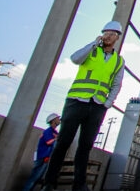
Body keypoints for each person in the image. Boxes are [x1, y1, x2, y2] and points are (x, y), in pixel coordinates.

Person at [41, 21, 127, 191]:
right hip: (76, 102)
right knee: (63, 143)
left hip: (97, 106)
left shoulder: (118, 61)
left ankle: (79, 184)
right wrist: (93, 43)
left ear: (117, 37)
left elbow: (117, 84)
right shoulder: (92, 51)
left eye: (112, 34)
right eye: (106, 33)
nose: (108, 36)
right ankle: (49, 183)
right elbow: (75, 58)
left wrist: (108, 103)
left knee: (85, 145)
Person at [22, 113, 60, 191]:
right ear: (53, 121)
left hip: (46, 157)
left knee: (37, 177)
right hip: (43, 157)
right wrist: (56, 139)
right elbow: (49, 142)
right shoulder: (48, 131)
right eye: (57, 119)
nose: (59, 120)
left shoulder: (55, 132)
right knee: (34, 177)